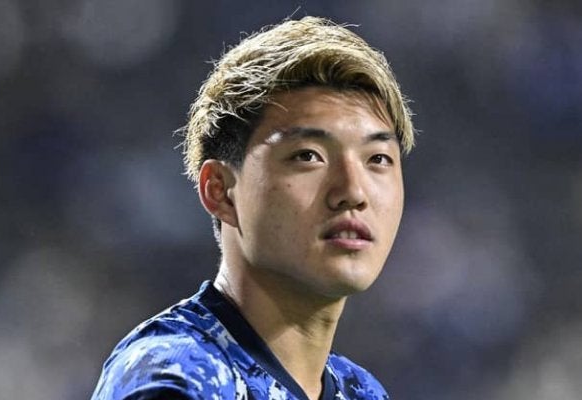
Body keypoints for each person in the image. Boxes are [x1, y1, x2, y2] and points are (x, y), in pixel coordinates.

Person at [91, 16, 415, 400]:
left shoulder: (361, 391)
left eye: (377, 158)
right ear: (221, 191)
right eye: (308, 155)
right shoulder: (180, 377)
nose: (353, 191)